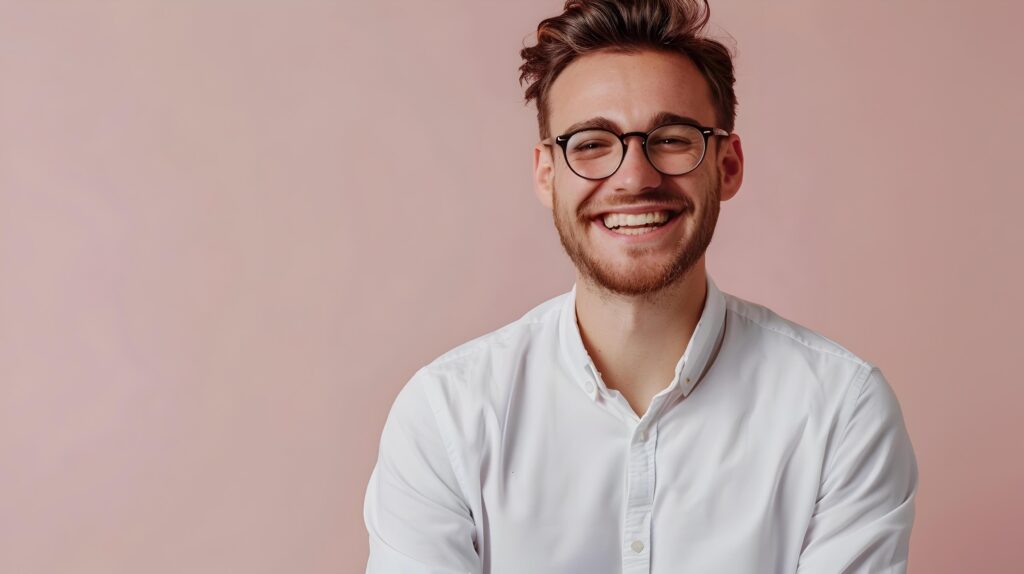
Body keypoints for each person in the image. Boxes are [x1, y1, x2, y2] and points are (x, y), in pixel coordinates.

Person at [363, 0, 918, 572]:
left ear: (727, 166)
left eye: (673, 138)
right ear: (546, 173)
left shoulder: (841, 413)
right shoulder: (447, 416)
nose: (634, 177)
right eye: (590, 144)